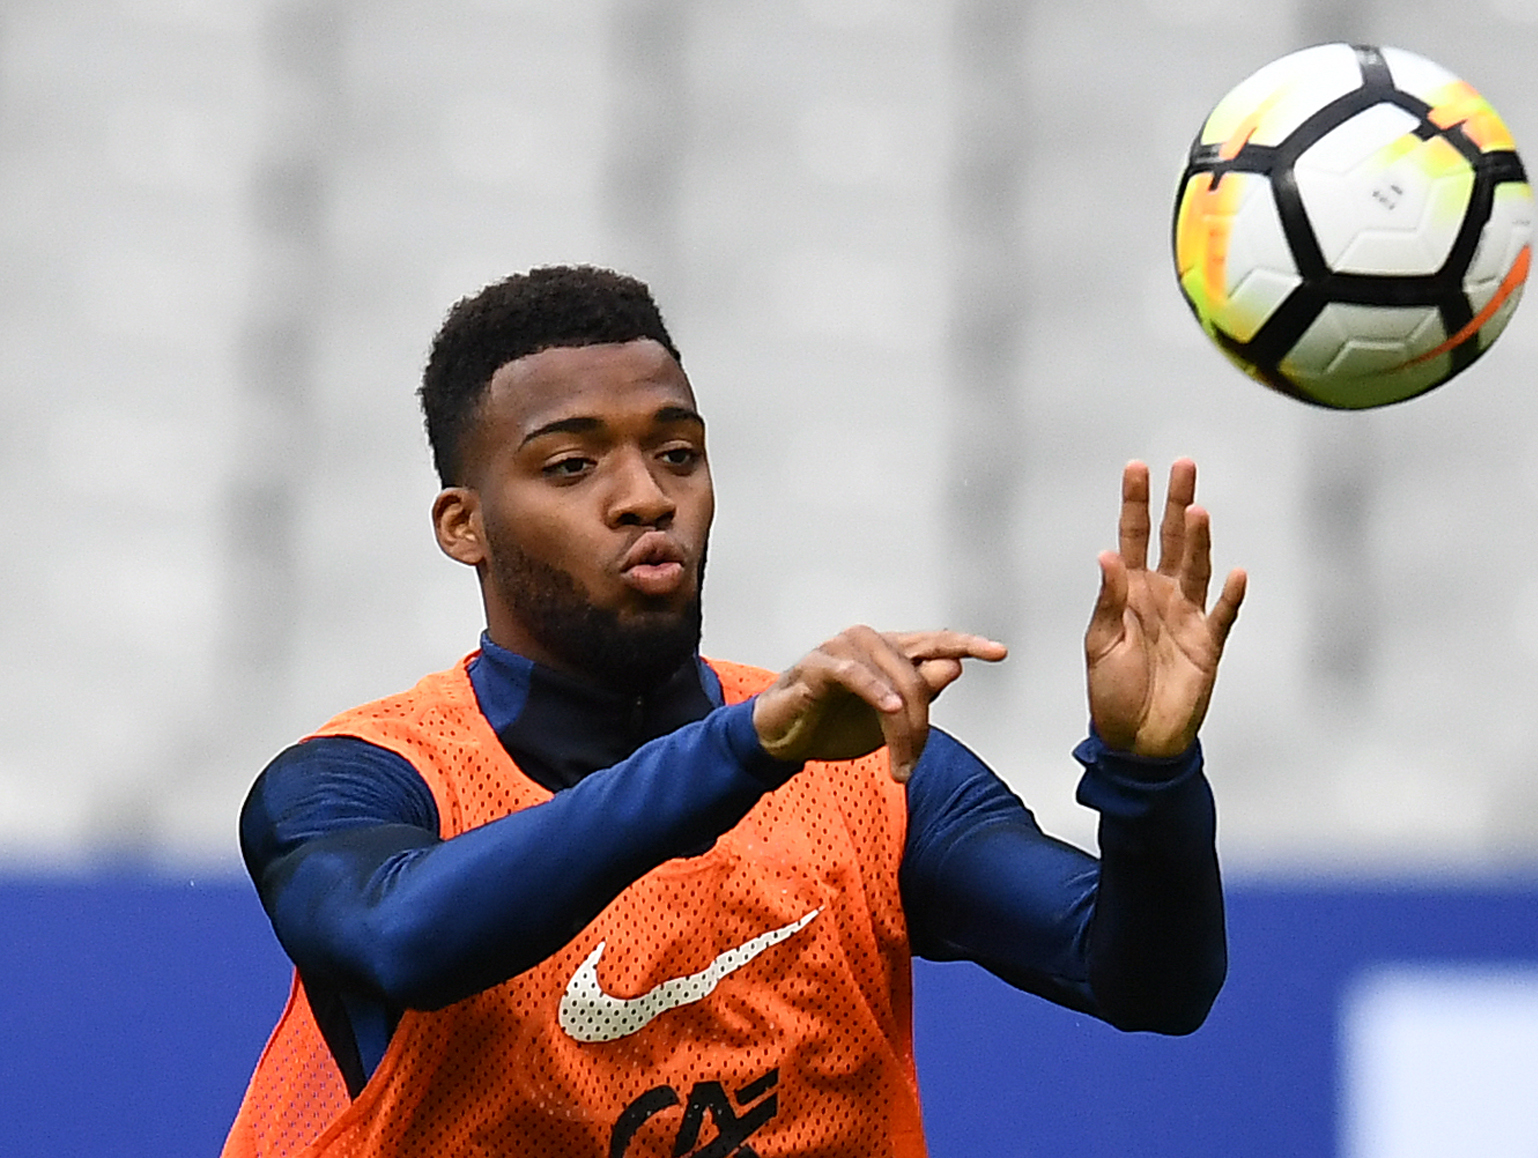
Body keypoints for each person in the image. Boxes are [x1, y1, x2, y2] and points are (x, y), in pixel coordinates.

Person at [222, 264, 1248, 1158]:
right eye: (571, 465)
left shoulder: (870, 773)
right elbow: (406, 942)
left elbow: (1150, 983)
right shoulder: (355, 780)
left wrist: (1148, 777)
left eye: (676, 452)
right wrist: (743, 748)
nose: (645, 496)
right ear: (464, 525)